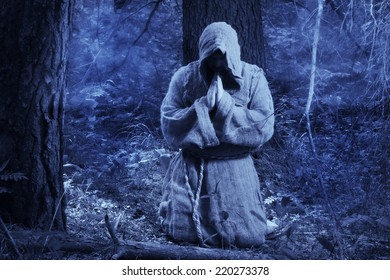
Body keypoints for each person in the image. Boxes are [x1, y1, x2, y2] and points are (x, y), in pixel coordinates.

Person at [158, 22, 274, 248]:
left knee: (246, 236)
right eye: (213, 57)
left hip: (235, 170)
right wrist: (200, 108)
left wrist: (226, 107)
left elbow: (264, 122)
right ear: (203, 54)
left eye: (223, 57)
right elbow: (168, 119)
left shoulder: (253, 77)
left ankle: (255, 223)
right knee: (183, 233)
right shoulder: (184, 77)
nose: (218, 63)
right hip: (193, 166)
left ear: (233, 53)